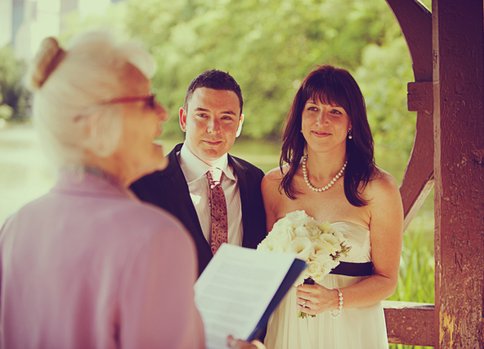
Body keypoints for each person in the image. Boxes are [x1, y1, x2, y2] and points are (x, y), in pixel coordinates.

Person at [0, 31, 261, 349]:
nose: (162, 114)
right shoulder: (156, 236)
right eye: (148, 102)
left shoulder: (16, 225)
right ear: (102, 121)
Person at [261, 65, 404, 349]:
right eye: (312, 109)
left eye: (335, 112)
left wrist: (335, 300)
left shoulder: (379, 189)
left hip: (351, 328)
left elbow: (387, 280)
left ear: (352, 123)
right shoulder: (273, 184)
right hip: (289, 325)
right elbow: (269, 269)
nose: (321, 121)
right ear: (300, 118)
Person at [130, 70, 267, 275]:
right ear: (184, 119)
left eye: (226, 117)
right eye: (202, 115)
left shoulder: (257, 181)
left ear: (239, 124)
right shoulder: (144, 184)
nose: (213, 128)